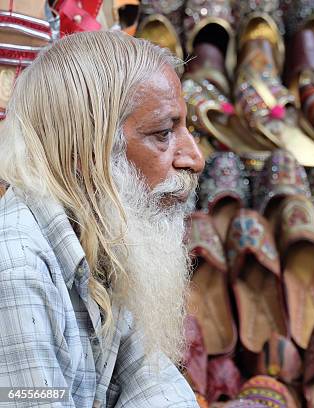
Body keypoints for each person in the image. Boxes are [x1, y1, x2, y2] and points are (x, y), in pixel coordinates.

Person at [0, 31, 204, 407]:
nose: (194, 157)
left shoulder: (101, 231)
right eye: (163, 133)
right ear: (89, 149)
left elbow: (152, 381)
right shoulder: (16, 268)